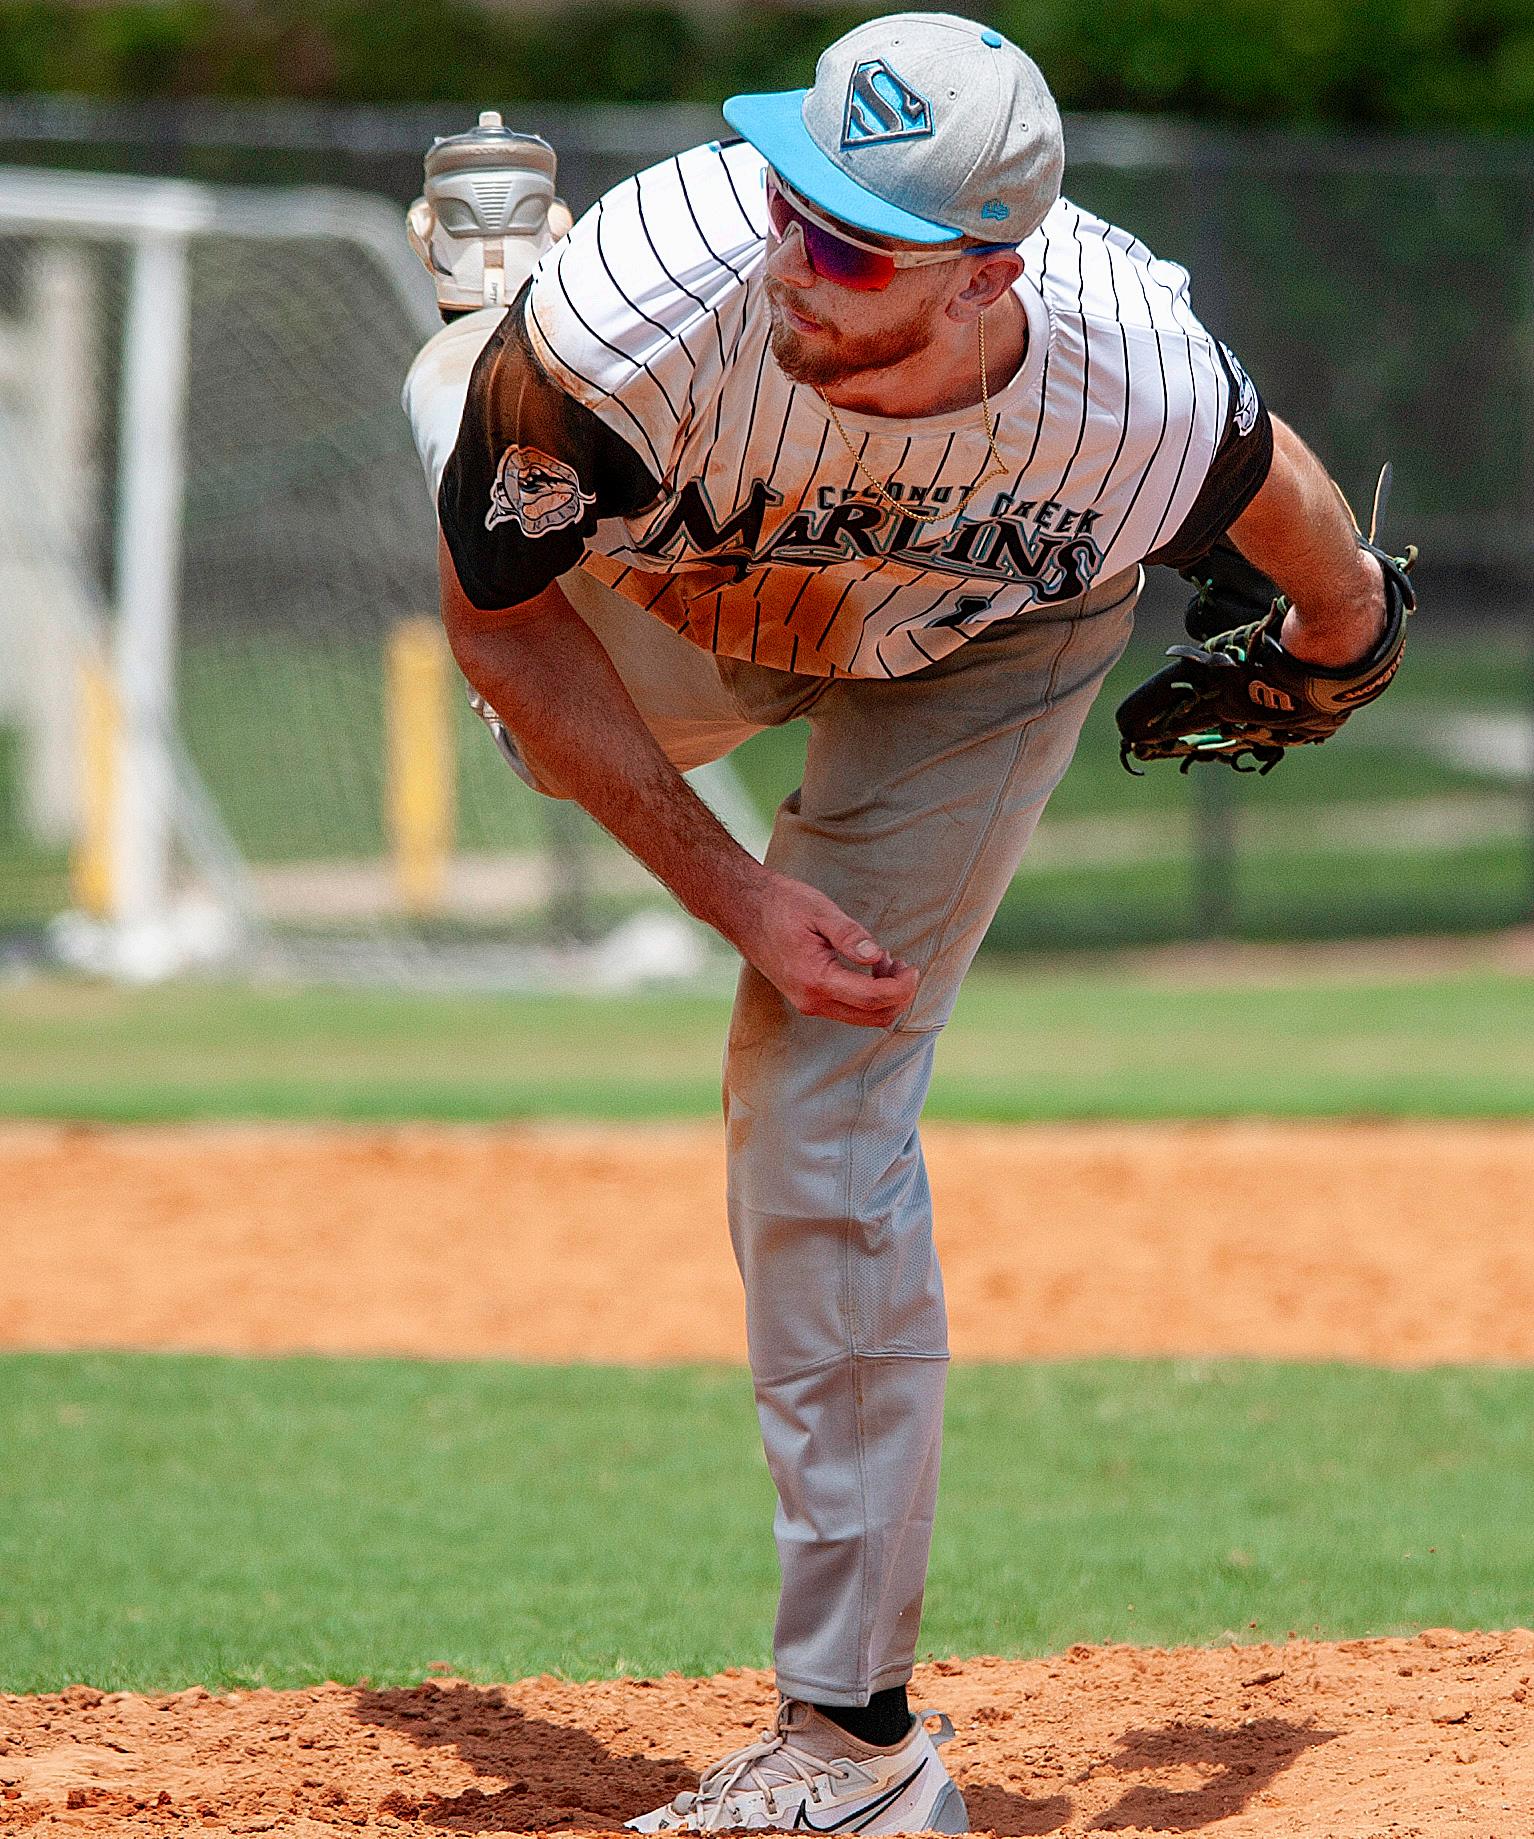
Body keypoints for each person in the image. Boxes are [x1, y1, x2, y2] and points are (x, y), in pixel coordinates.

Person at [401, 16, 1398, 1831]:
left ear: (987, 270)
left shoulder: (1133, 385)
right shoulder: (648, 305)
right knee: (502, 560)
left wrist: (1347, 643)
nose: (797, 251)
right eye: (794, 196)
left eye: (856, 244)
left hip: (976, 643)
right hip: (676, 587)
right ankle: (483, 312)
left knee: (821, 1102)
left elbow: (1289, 510)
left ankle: (851, 1750)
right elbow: (502, 627)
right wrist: (739, 896)